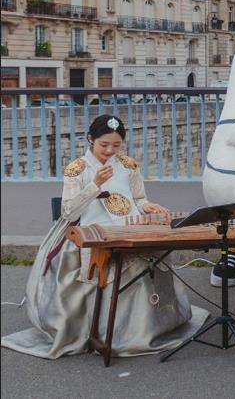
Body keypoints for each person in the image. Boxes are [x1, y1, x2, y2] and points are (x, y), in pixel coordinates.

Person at [1, 115, 208, 358]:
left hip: (128, 226)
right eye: (104, 145)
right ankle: (101, 331)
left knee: (148, 260)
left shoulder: (128, 165)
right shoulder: (77, 168)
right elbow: (69, 212)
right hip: (88, 228)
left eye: (116, 145)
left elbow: (138, 198)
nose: (110, 151)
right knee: (108, 268)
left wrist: (148, 206)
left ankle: (144, 329)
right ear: (90, 139)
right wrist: (94, 184)